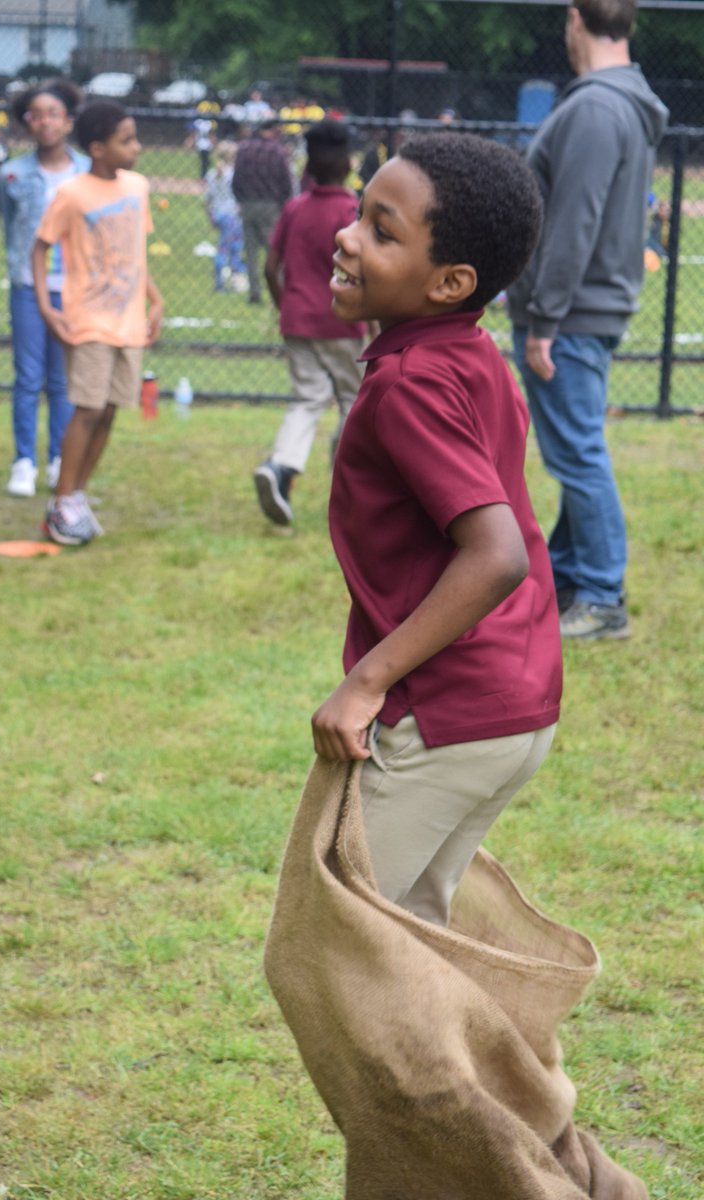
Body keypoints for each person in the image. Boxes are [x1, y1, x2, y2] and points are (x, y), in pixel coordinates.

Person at [311, 131, 561, 936]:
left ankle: (491, 1070)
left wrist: (365, 682)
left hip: (449, 716)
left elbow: (496, 554)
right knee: (413, 943)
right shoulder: (472, 354)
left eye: (384, 232)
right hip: (516, 705)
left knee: (337, 940)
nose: (349, 237)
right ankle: (477, 1068)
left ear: (451, 282)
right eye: (359, 213)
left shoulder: (411, 381)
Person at [507, 0, 668, 641]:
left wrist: (544, 319)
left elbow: (575, 222)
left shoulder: (596, 108)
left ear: (575, 19)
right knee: (574, 451)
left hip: (569, 317)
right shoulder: (618, 101)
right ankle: (568, 574)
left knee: (578, 456)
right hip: (583, 310)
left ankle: (602, 596)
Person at [32, 100, 164, 547]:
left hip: (129, 322)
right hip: (87, 319)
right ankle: (60, 501)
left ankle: (77, 496)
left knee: (109, 410)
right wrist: (47, 308)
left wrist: (155, 301)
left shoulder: (137, 187)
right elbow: (39, 247)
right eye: (126, 140)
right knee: (87, 409)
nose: (137, 147)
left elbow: (134, 254)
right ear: (97, 148)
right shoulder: (72, 194)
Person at [253, 119, 366, 526]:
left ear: (308, 167)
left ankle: (281, 467)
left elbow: (270, 267)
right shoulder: (352, 211)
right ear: (349, 164)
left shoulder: (294, 208)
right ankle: (350, 485)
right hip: (341, 324)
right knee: (355, 401)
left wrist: (288, 305)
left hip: (297, 320)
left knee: (308, 398)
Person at [0, 79, 88, 498]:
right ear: (27, 123)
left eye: (54, 113)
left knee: (63, 379)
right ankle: (24, 462)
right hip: (27, 287)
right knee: (28, 377)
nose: (46, 122)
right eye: (37, 115)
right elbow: (11, 232)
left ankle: (58, 458)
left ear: (68, 121)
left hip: (73, 288)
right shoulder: (12, 173)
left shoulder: (88, 172)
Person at [231, 119, 292, 304]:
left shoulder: (244, 149)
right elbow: (286, 181)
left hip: (248, 204)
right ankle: (279, 291)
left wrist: (241, 199)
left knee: (250, 251)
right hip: (270, 206)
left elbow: (236, 179)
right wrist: (283, 204)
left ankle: (254, 293)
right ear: (272, 130)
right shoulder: (277, 151)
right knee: (274, 251)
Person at [203, 140, 246, 292]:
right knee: (232, 247)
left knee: (225, 245)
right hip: (232, 215)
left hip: (217, 214)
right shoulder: (234, 174)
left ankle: (230, 279)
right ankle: (222, 283)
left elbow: (207, 200)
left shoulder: (211, 173)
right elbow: (241, 198)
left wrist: (211, 217)